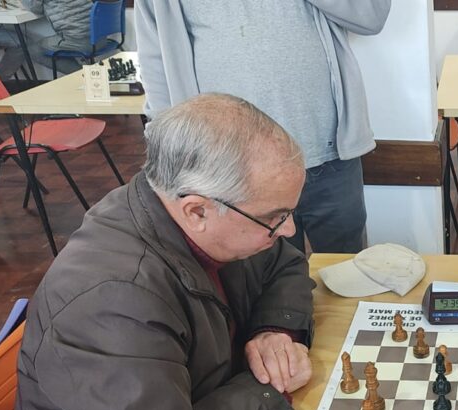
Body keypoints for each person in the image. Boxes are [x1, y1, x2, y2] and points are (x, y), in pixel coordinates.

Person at [15, 93, 316, 410]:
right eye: (276, 217)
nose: (288, 228)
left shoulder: (200, 215)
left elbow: (286, 260)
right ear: (197, 210)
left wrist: (274, 329)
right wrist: (267, 386)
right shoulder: (112, 300)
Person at [136, 0, 391, 254]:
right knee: (260, 277)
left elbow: (371, 16)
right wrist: (168, 144)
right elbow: (155, 58)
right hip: (233, 167)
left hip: (330, 153)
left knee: (349, 269)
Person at [22, 0, 93, 76]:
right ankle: (87, 75)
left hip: (80, 42)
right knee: (59, 45)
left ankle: (84, 75)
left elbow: (35, 8)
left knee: (34, 50)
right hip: (99, 40)